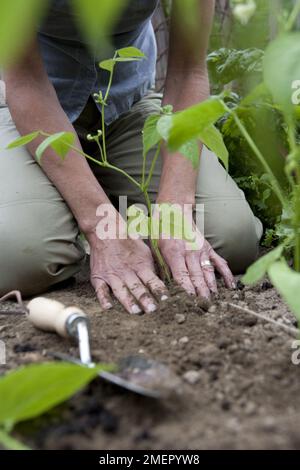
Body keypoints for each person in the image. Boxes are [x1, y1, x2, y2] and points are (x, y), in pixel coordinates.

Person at [0, 0, 262, 314]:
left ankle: (94, 214)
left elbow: (188, 73)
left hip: (125, 107)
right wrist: (99, 226)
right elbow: (25, 81)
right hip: (25, 113)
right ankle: (78, 211)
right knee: (21, 258)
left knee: (231, 237)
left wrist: (175, 210)